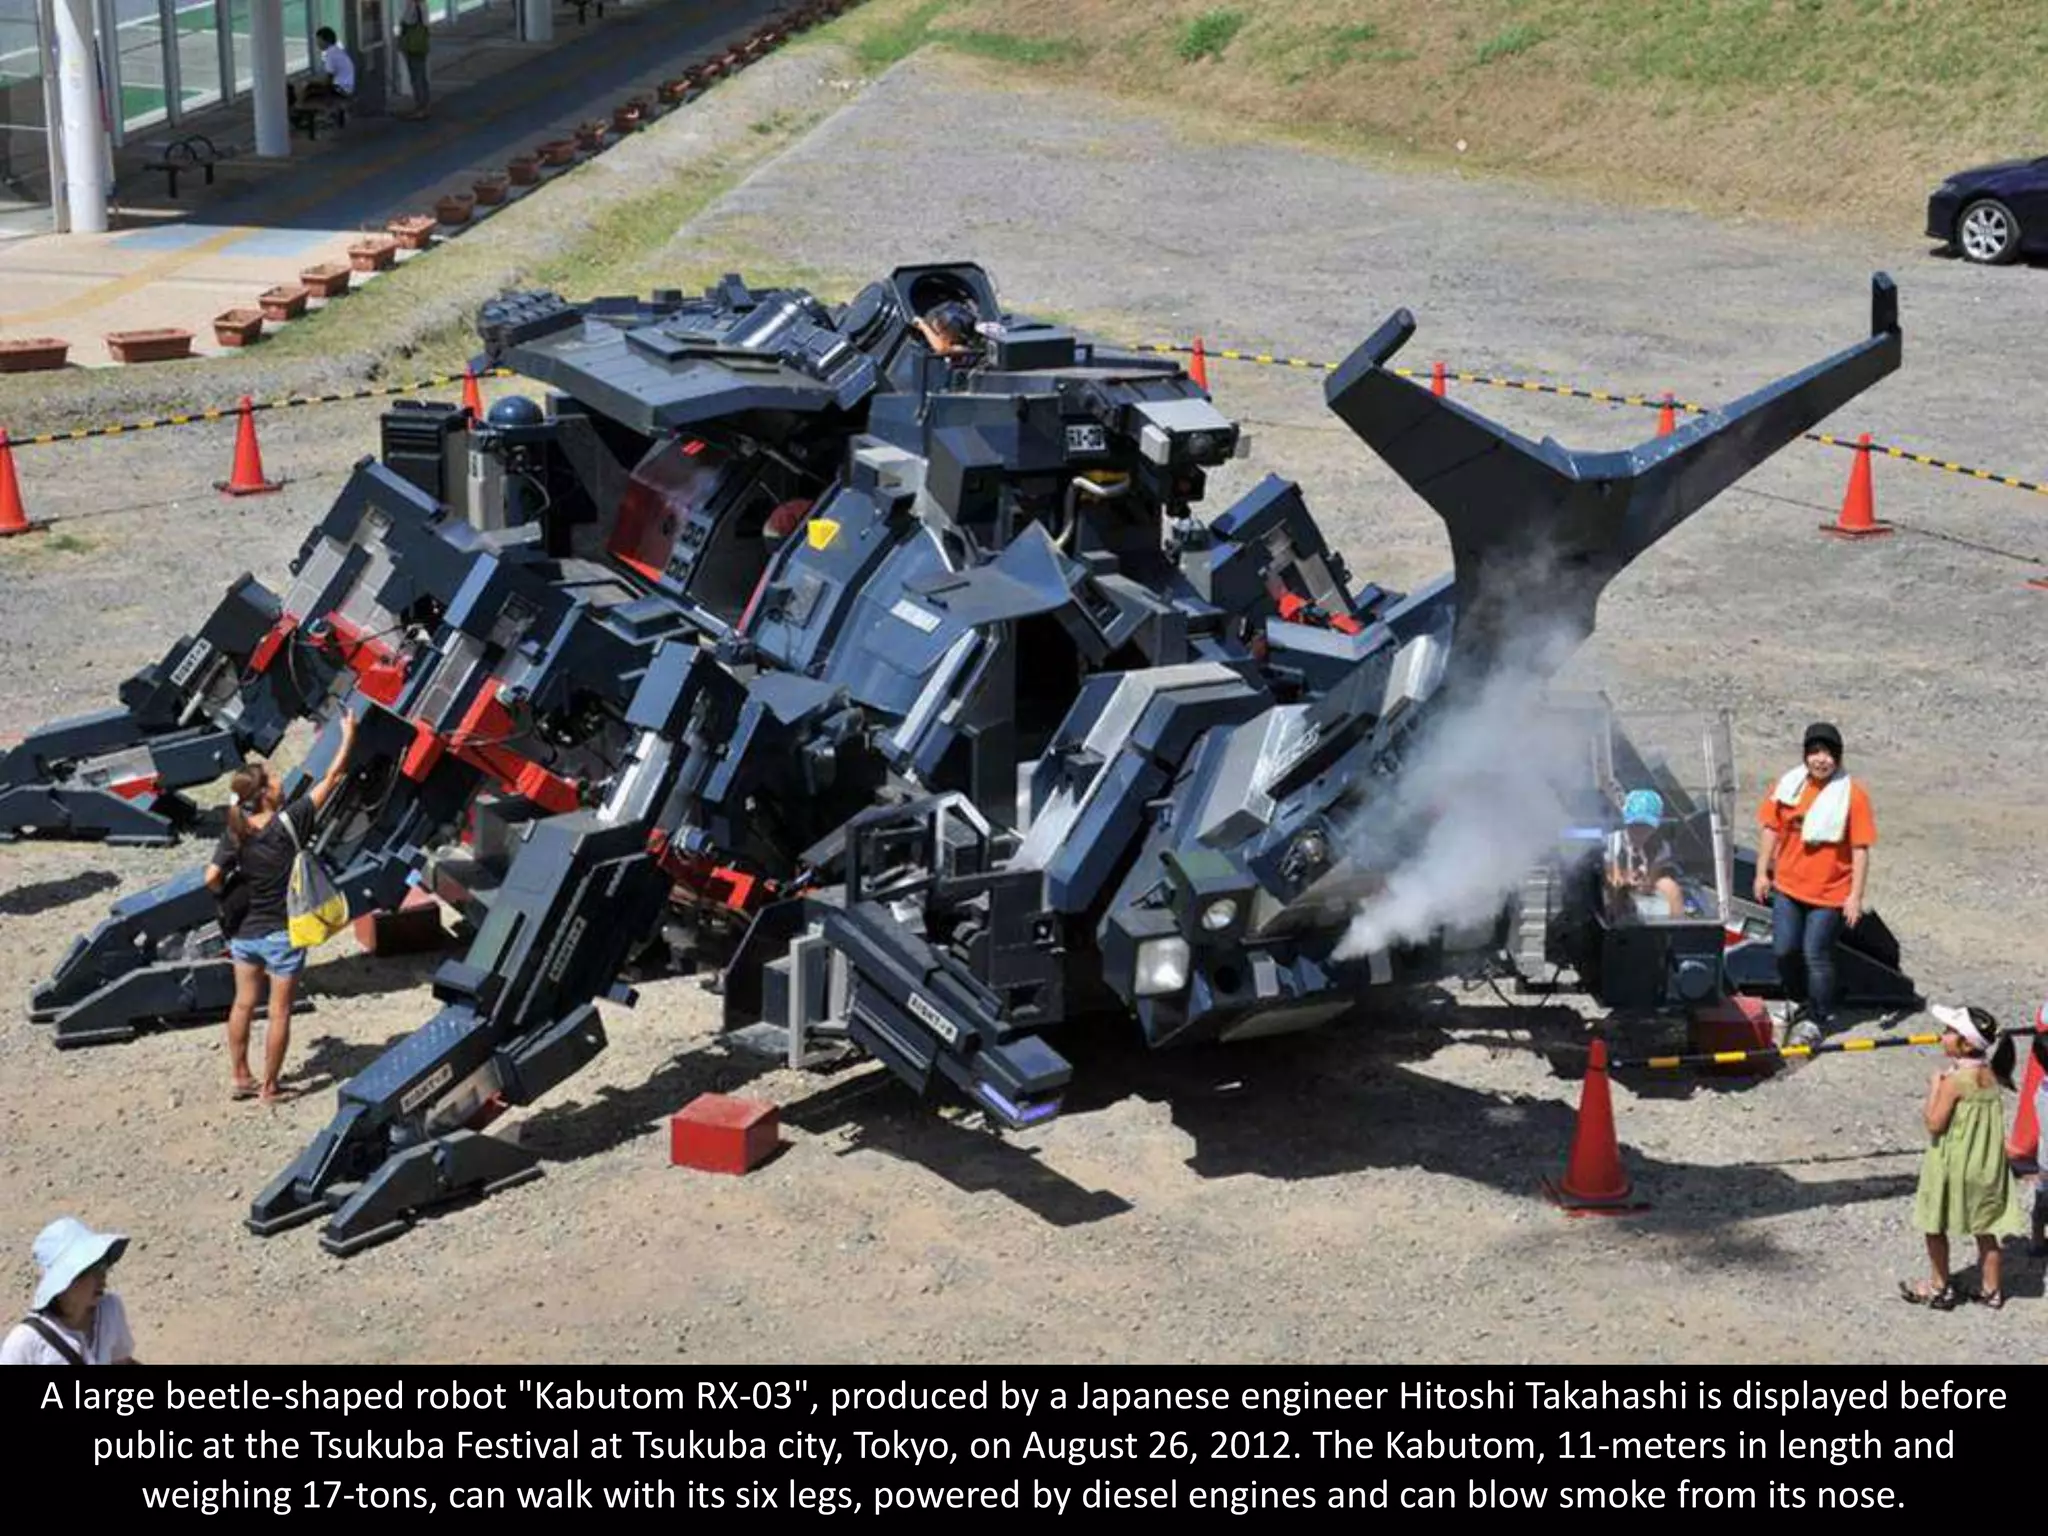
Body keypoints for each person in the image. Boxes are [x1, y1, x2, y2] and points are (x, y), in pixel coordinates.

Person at [203, 709, 359, 1103]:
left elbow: (210, 877)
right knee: (278, 1012)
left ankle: (241, 1075)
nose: (280, 779)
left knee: (242, 1003)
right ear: (266, 793)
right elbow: (333, 778)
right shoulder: (292, 822)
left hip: (244, 935)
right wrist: (349, 736)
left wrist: (225, 894)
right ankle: (270, 1087)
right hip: (282, 934)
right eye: (274, 779)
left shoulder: (236, 830)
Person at [1753, 721, 1875, 1046]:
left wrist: (1854, 896)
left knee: (1815, 954)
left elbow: (1860, 849)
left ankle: (1818, 1017)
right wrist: (1761, 871)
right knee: (1783, 950)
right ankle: (1797, 1000)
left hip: (1830, 893)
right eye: (1815, 752)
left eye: (1828, 754)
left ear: (1838, 757)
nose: (1821, 760)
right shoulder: (1788, 786)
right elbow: (1770, 828)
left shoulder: (1853, 796)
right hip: (1788, 887)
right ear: (1806, 755)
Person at [1899, 1004, 2024, 1310]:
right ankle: (1991, 1291)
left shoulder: (1954, 1082)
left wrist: (1934, 1088)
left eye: (1950, 1031)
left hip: (1952, 1162)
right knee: (1985, 1229)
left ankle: (1939, 1286)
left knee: (1934, 1224)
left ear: (1966, 1043)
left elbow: (1935, 1123)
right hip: (1986, 1164)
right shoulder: (1992, 1075)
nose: (1943, 1035)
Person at [0, 1217, 138, 1365]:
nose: (102, 1277)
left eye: (103, 1265)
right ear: (63, 1284)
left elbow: (121, 1362)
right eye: (90, 1270)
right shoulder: (25, 1342)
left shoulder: (110, 1309)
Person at [1605, 788, 1686, 920]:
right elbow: (1611, 876)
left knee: (1670, 886)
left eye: (1646, 826)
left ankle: (1676, 928)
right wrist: (1625, 880)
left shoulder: (1660, 847)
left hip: (1645, 893)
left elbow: (1652, 878)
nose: (1639, 831)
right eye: (1635, 825)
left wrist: (1644, 881)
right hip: (1616, 897)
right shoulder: (1612, 842)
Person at [297, 27, 356, 105]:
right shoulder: (337, 50)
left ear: (326, 40)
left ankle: (300, 109)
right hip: (348, 87)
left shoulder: (331, 54)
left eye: (319, 40)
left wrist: (310, 82)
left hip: (341, 90)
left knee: (306, 89)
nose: (317, 43)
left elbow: (327, 81)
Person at [913, 299, 983, 362]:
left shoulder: (965, 342)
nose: (941, 337)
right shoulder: (935, 316)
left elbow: (942, 350)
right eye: (937, 334)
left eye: (941, 332)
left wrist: (923, 326)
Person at [398, 0, 432, 118]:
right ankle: (426, 106)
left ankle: (420, 107)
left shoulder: (413, 5)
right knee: (422, 76)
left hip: (413, 43)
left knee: (415, 76)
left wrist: (401, 40)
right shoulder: (424, 5)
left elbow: (406, 22)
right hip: (422, 43)